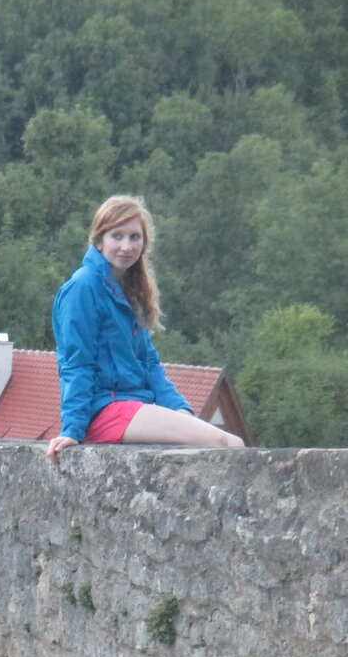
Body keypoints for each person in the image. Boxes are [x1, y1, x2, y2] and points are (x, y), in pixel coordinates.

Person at [47, 194, 245, 465]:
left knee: (223, 442)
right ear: (98, 239)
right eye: (117, 236)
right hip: (105, 410)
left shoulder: (130, 290)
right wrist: (72, 429)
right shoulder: (83, 287)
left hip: (135, 406)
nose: (126, 246)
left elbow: (149, 364)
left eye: (134, 237)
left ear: (145, 242)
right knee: (227, 443)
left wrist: (178, 408)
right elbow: (76, 363)